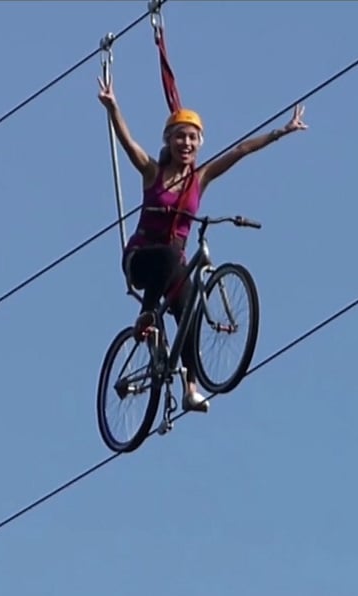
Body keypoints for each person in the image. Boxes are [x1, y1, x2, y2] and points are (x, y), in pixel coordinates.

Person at [98, 75, 307, 412]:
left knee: (190, 306)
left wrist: (281, 132)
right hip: (141, 259)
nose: (186, 143)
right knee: (169, 255)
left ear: (200, 143)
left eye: (193, 138)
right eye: (180, 137)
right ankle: (147, 314)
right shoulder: (153, 172)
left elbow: (240, 151)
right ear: (169, 139)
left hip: (172, 266)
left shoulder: (201, 177)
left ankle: (190, 388)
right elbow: (128, 143)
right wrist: (113, 107)